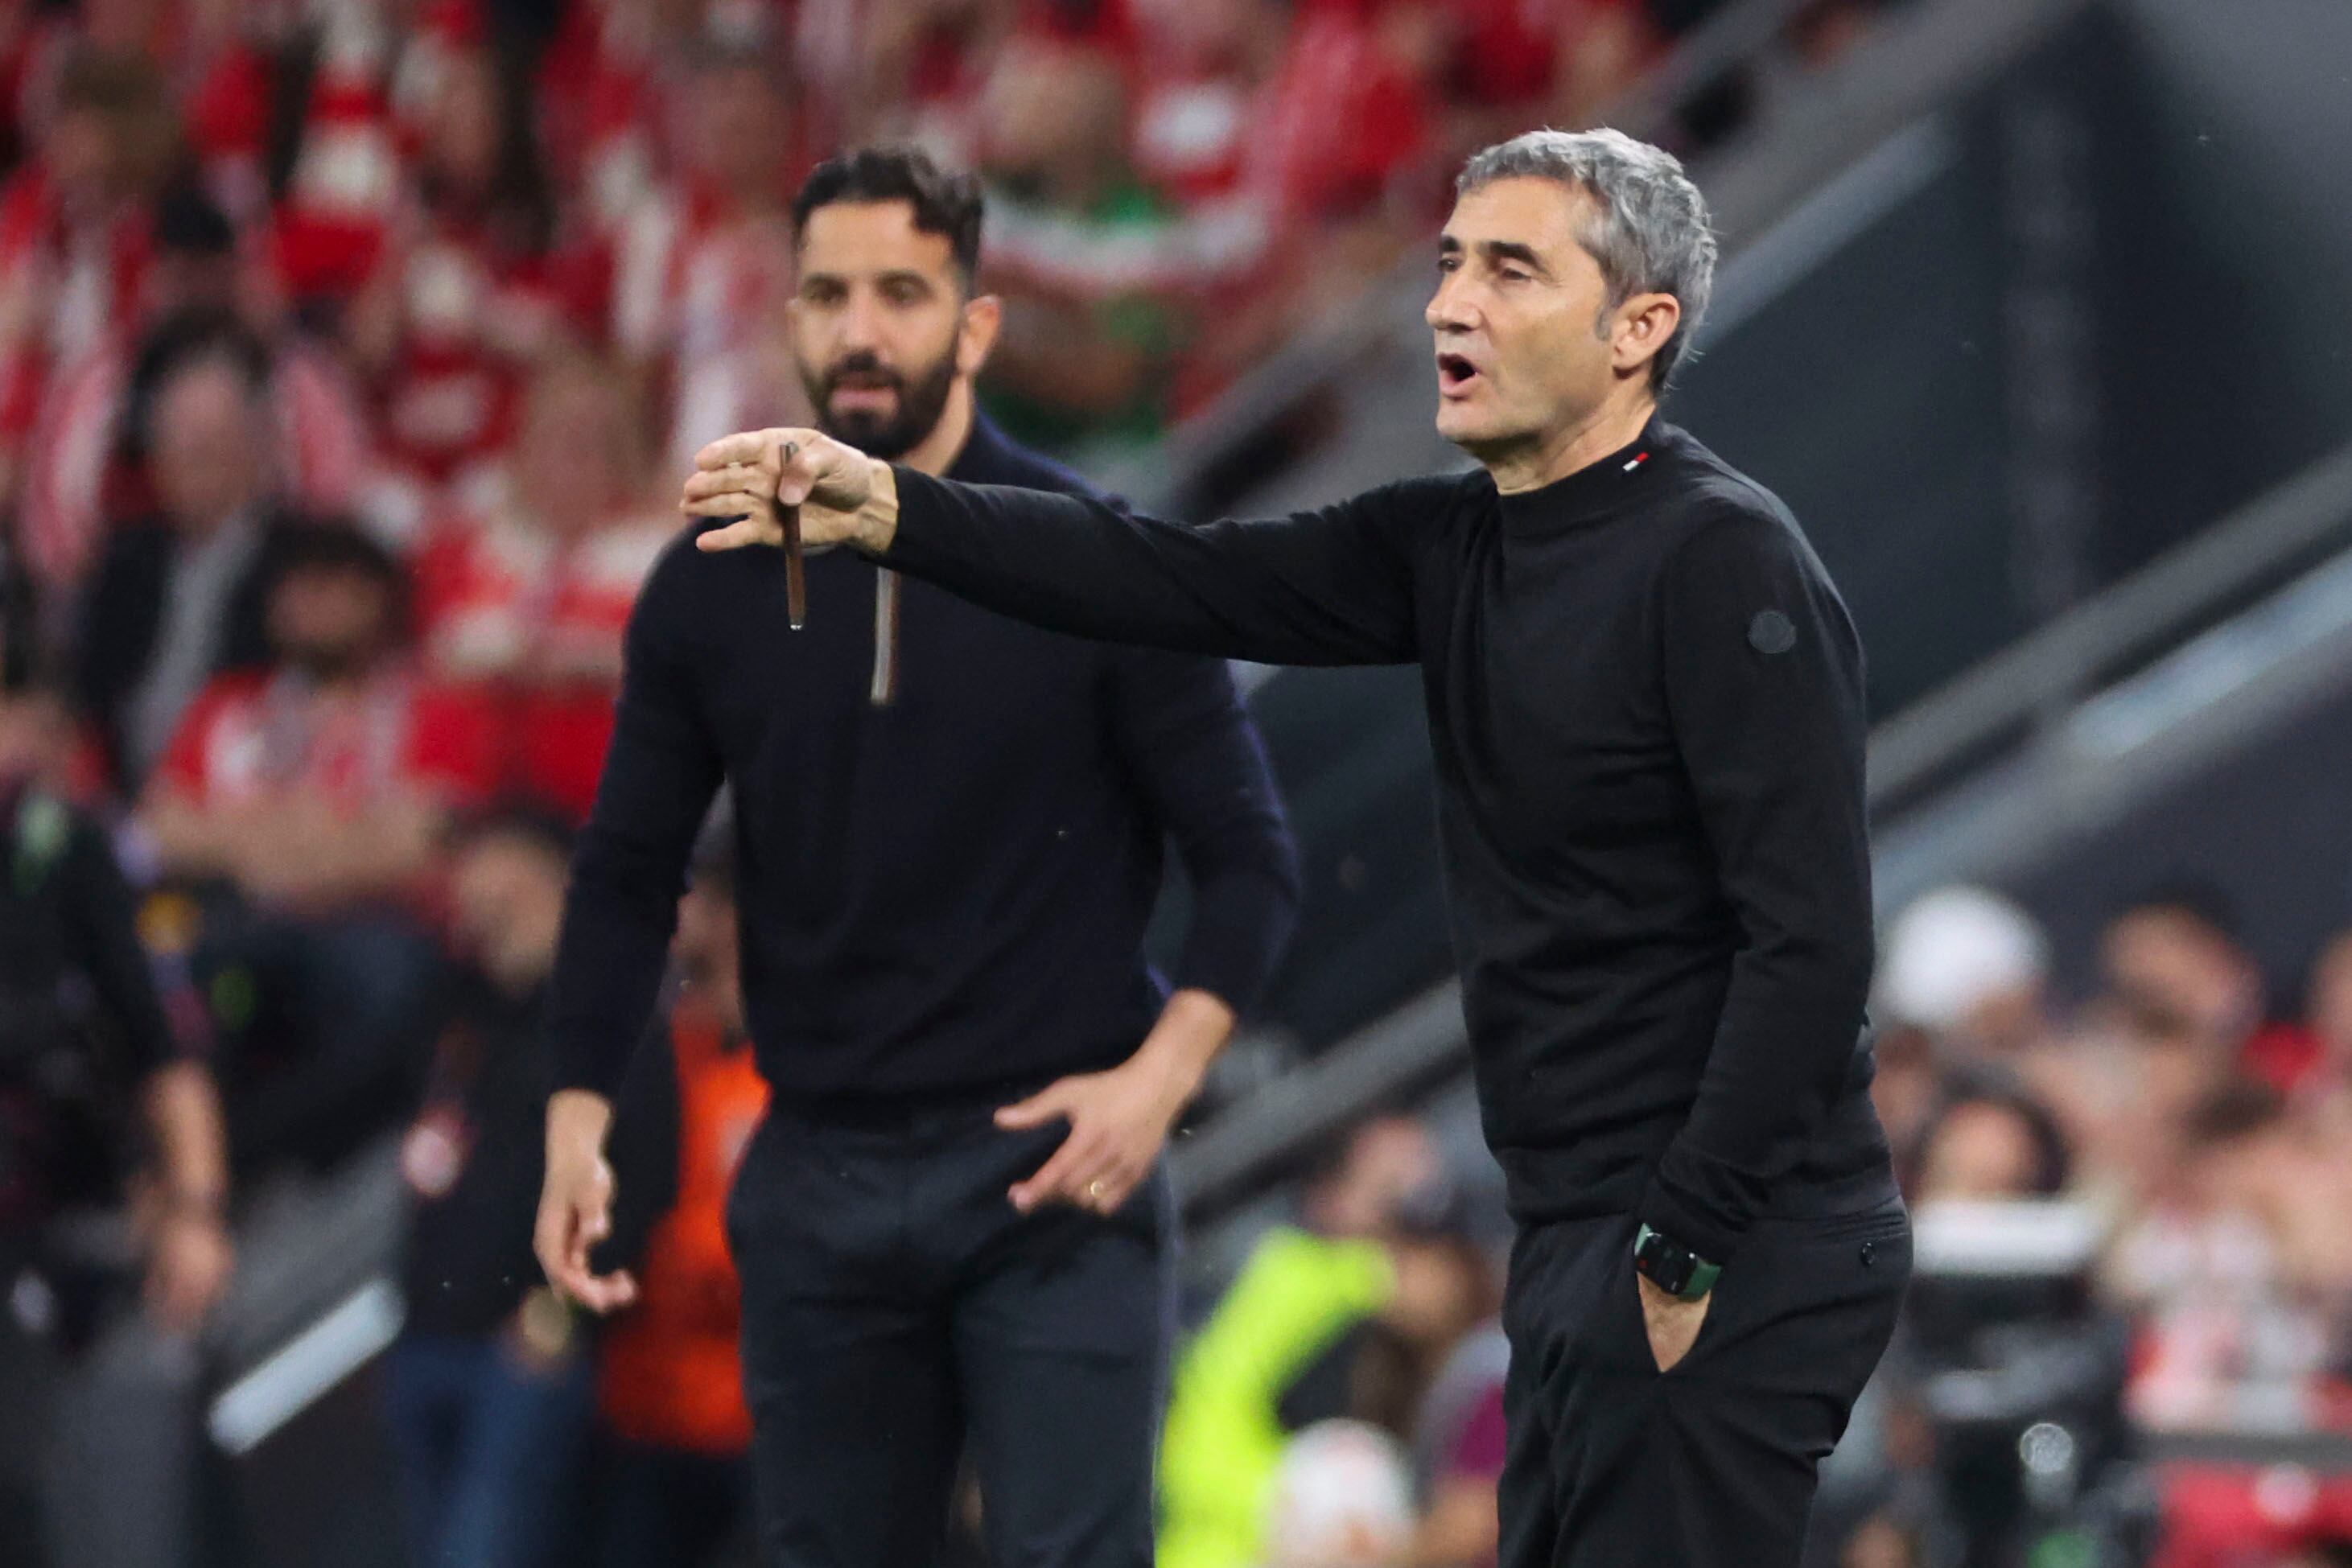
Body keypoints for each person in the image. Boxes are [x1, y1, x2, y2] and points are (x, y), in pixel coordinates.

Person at [683, 128, 1909, 1568]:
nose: (1449, 303)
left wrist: (1688, 1236)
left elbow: (1811, 939)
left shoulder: (1720, 558)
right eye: (1450, 263)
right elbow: (1165, 574)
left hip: (1727, 1227)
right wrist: (891, 510)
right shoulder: (1454, 548)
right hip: (1584, 1224)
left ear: (1637, 327)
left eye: (1509, 269)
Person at [538, 146, 1300, 1568]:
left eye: (901, 289)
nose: (861, 328)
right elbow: (627, 865)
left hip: (1052, 1176)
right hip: (818, 1164)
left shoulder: (1093, 557)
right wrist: (576, 1103)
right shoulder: (705, 583)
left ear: (977, 322)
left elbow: (1251, 858)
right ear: (788, 321)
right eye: (827, 293)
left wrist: (1159, 1081)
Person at [0, 636, 233, 1567]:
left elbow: (164, 1046)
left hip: (59, 1213)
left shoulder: (71, 844)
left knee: (54, 1486)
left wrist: (197, 1207)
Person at [385, 805, 600, 1568]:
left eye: (482, 856)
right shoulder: (450, 1006)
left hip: (520, 1347)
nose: (464, 881)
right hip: (428, 1329)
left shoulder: (602, 1010)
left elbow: (638, 1176)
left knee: (484, 1552)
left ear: (538, 871)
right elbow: (347, 1092)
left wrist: (557, 1310)